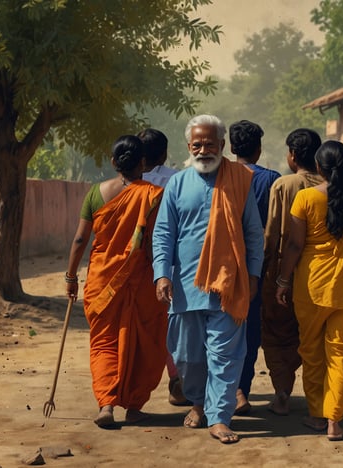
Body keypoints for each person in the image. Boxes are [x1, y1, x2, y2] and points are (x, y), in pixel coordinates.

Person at [153, 114, 264, 444]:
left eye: (210, 144)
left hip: (229, 286)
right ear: (189, 147)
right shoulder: (177, 183)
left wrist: (254, 273)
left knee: (225, 356)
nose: (204, 150)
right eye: (197, 145)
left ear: (222, 146)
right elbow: (163, 233)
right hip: (186, 288)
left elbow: (253, 234)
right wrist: (161, 274)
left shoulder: (240, 179)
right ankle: (199, 403)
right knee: (187, 356)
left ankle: (219, 416)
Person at [65, 135, 168, 428]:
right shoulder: (153, 195)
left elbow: (80, 239)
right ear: (144, 163)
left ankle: (106, 405)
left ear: (113, 162)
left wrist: (71, 276)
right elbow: (156, 242)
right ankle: (134, 407)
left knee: (104, 343)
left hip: (102, 280)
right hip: (143, 279)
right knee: (145, 342)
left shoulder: (96, 193)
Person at [275, 140, 343, 441]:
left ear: (318, 167)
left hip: (311, 285)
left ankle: (316, 415)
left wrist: (282, 280)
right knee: (341, 354)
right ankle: (335, 420)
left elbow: (293, 245)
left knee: (312, 351)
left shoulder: (305, 198)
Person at [261, 128, 323, 416]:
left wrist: (264, 269)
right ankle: (319, 396)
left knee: (274, 332)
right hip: (321, 272)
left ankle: (282, 390)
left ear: (293, 155)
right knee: (311, 334)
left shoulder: (283, 185)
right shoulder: (331, 185)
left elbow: (272, 233)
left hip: (283, 270)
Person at [228, 119, 281, 415]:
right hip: (256, 266)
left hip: (221, 263)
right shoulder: (271, 179)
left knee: (220, 327)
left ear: (232, 148)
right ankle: (240, 390)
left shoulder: (219, 177)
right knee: (249, 329)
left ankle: (220, 390)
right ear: (259, 149)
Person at [137, 128, 189, 407]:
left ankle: (131, 387)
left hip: (132, 266)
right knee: (173, 322)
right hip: (171, 263)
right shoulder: (178, 181)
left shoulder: (126, 184)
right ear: (166, 153)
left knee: (138, 325)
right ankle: (177, 380)